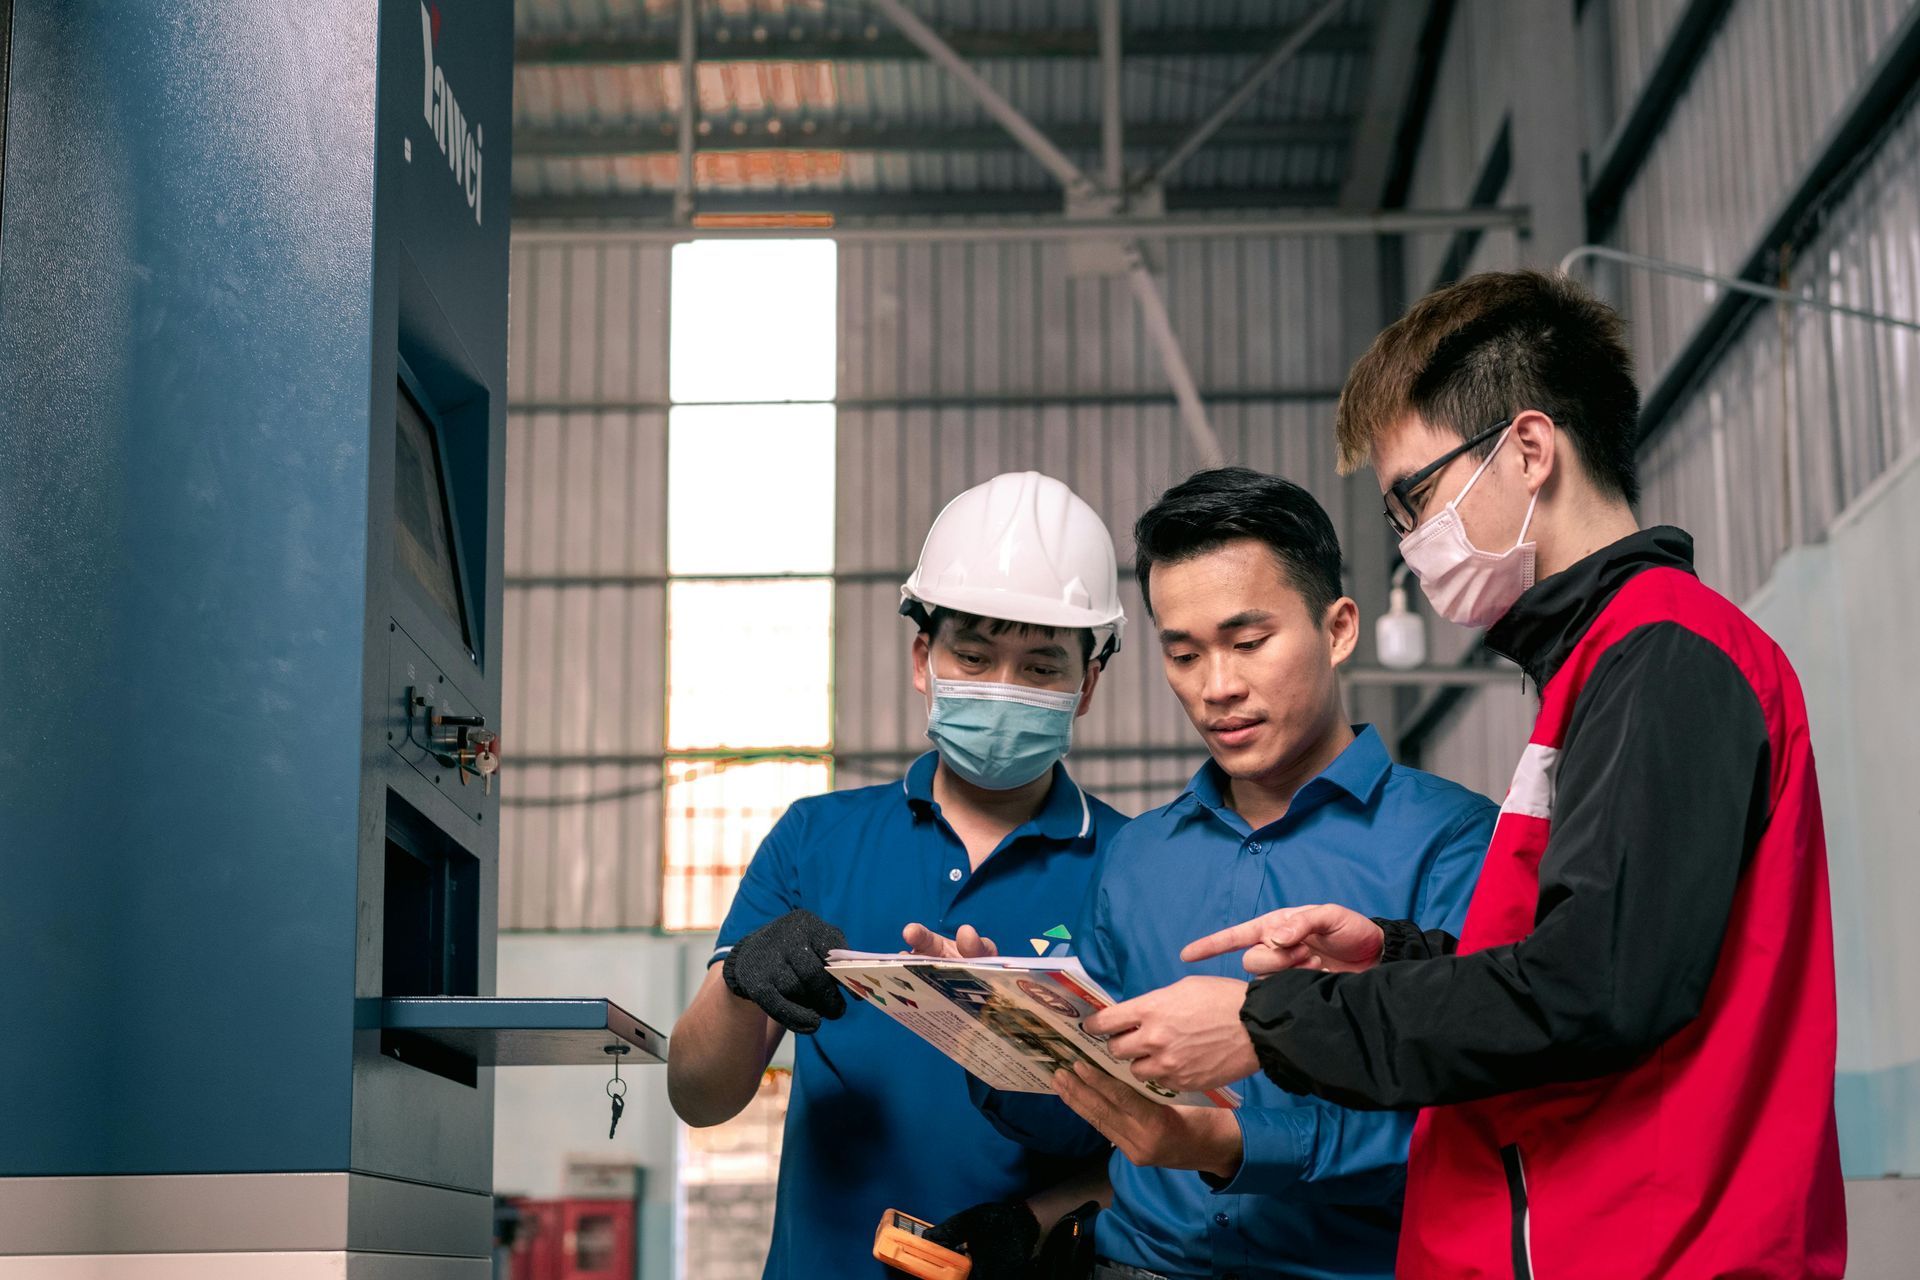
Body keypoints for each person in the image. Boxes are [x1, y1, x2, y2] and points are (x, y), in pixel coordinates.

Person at [1096, 271, 1847, 1279]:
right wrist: (1397, 951)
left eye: (1417, 498)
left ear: (1529, 449)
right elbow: (1602, 950)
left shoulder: (1663, 655)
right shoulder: (1600, 665)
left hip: (1659, 1250)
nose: (1411, 547)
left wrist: (1261, 1022)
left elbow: (1595, 989)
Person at [918, 469, 1497, 1280]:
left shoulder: (1452, 843)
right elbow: (1088, 1126)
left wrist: (1231, 1145)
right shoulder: (1140, 856)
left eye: (1249, 643)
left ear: (1337, 629)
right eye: (1183, 654)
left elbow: (1476, 1125)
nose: (1216, 687)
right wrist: (1003, 1041)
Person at [665, 472, 1132, 1280]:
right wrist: (742, 982)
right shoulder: (816, 841)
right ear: (924, 657)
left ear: (1086, 684)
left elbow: (1174, 1144)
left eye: (1040, 668)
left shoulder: (1138, 865)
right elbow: (700, 1098)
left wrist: (1034, 1221)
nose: (1000, 689)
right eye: (975, 656)